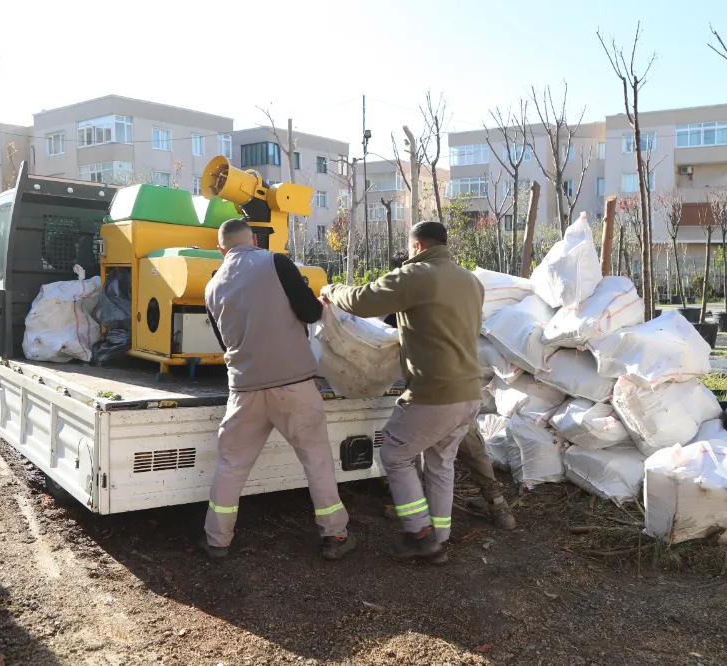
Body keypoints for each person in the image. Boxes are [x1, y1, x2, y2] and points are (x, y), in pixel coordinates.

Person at [321, 221, 483, 563]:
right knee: (441, 464)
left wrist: (330, 290)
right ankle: (439, 538)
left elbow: (363, 301)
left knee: (394, 453)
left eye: (410, 249)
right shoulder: (470, 281)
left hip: (434, 392)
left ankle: (418, 533)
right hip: (469, 391)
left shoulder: (417, 274)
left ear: (418, 247)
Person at [201, 218, 356, 561]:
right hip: (294, 385)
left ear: (221, 249)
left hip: (244, 389)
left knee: (231, 465)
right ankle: (336, 536)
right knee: (316, 460)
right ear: (255, 240)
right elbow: (309, 312)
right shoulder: (276, 262)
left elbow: (223, 341)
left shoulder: (211, 286)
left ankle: (217, 540)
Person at [382, 253, 515, 532]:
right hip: (463, 392)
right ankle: (497, 506)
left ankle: (420, 519)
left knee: (413, 452)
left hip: (436, 395)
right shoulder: (456, 301)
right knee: (466, 452)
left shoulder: (409, 306)